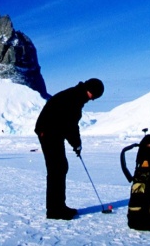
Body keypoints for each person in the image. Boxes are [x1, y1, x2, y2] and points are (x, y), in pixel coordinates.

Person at [34, 78, 104, 220]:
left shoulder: (76, 95)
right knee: (57, 169)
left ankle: (59, 206)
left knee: (60, 167)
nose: (93, 100)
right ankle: (54, 210)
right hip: (48, 132)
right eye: (94, 96)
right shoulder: (74, 98)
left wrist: (76, 143)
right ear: (90, 90)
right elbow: (70, 126)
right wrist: (76, 144)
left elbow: (70, 124)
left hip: (52, 131)